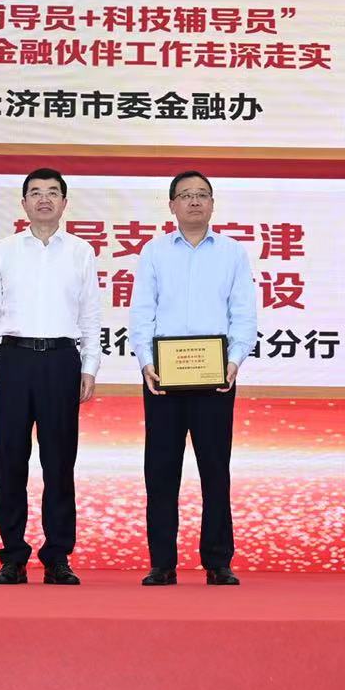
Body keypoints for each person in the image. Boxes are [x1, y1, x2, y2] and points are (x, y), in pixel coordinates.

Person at [129, 171, 258, 586]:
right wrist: (146, 363)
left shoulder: (232, 253)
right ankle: (162, 563)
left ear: (213, 204)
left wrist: (234, 361)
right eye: (185, 195)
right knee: (160, 471)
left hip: (216, 377)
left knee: (215, 471)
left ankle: (218, 561)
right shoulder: (154, 252)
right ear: (172, 205)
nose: (195, 202)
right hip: (162, 378)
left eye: (202, 195)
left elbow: (243, 313)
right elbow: (142, 312)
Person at [0, 168, 101, 585]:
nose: (44, 199)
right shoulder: (4, 250)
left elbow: (90, 313)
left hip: (61, 360)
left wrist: (89, 366)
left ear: (64, 202)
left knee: (59, 462)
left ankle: (57, 556)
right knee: (9, 460)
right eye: (35, 193)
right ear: (24, 203)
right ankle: (12, 555)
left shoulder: (81, 251)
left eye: (52, 193)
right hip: (13, 359)